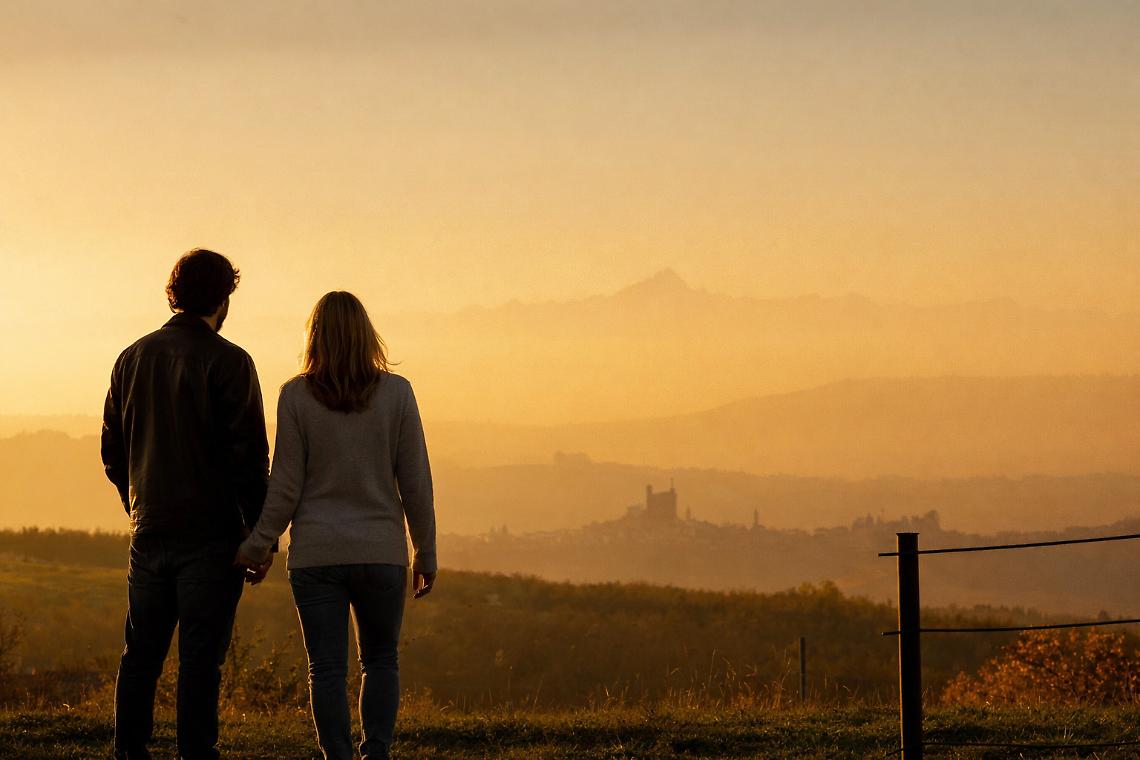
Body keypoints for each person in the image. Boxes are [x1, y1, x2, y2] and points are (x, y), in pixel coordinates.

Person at [235, 290, 437, 760]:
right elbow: (416, 482)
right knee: (381, 660)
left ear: (315, 337)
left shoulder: (296, 397)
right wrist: (425, 551)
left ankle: (337, 756)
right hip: (381, 551)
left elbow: (284, 486)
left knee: (325, 668)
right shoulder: (397, 394)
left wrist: (259, 544)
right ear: (367, 334)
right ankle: (377, 753)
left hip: (317, 556)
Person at [101, 248, 273, 760]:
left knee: (140, 656)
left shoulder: (131, 358)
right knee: (201, 660)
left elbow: (113, 452)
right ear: (224, 297)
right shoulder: (231, 362)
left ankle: (129, 752)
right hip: (211, 536)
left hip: (148, 530)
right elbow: (249, 458)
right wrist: (258, 536)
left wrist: (135, 503)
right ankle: (196, 753)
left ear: (173, 293)